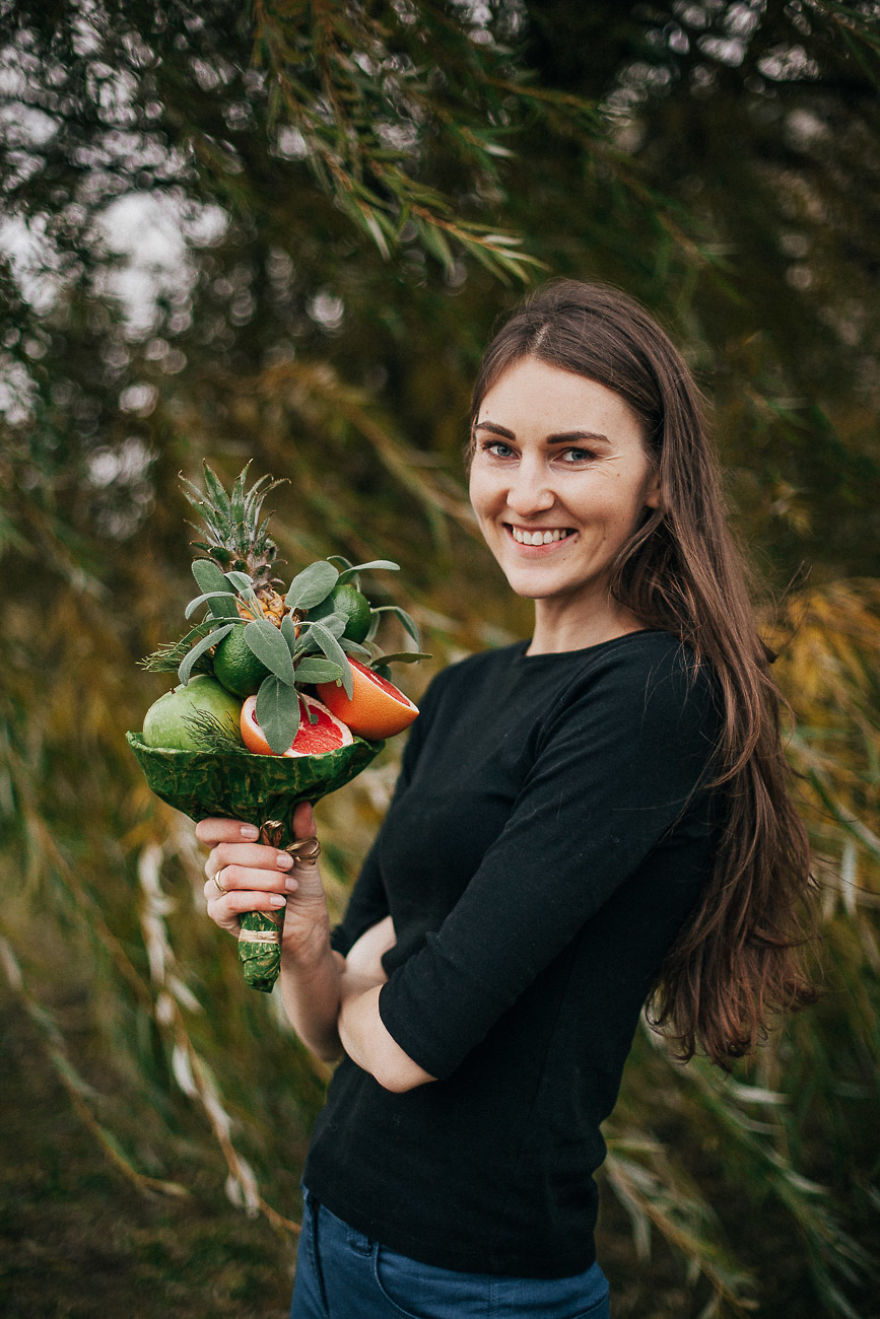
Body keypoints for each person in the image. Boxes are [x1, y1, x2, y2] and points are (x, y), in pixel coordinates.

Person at [197, 279, 817, 1318]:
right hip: (334, 1228)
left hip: (474, 1283)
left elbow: (406, 1047)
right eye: (499, 447)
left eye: (573, 452)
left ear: (659, 477)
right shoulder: (457, 690)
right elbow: (331, 1027)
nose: (525, 492)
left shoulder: (652, 696)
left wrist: (389, 964)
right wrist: (311, 941)